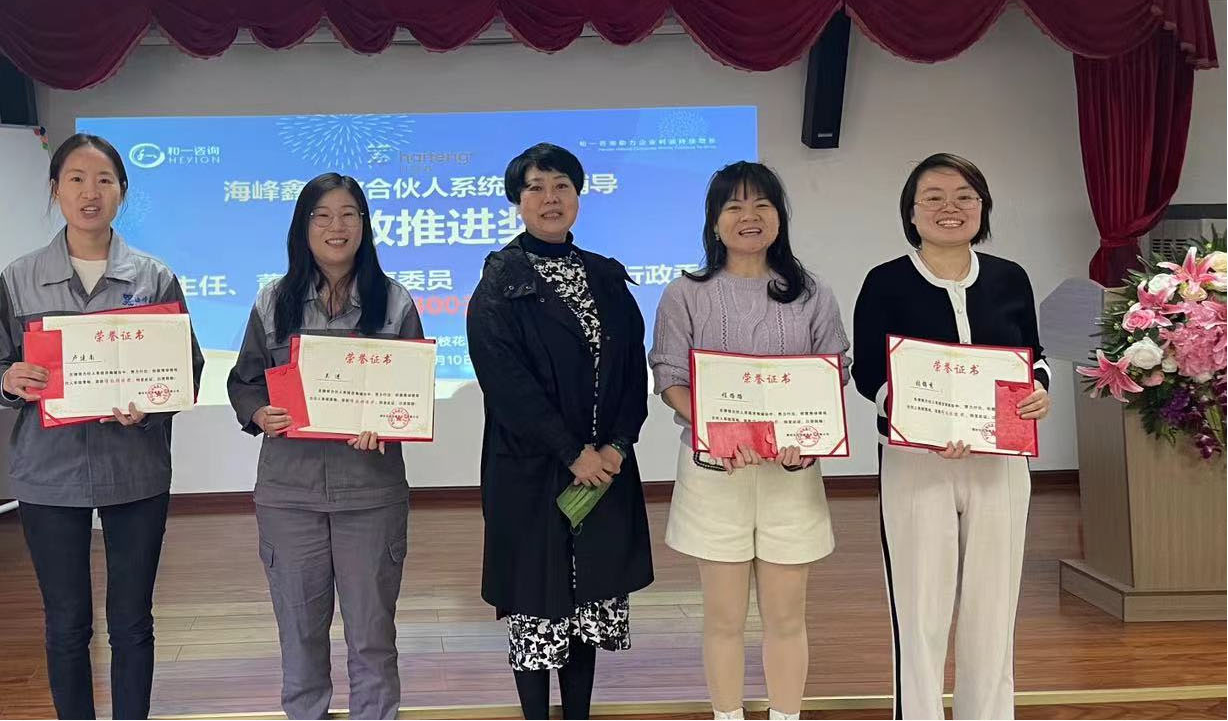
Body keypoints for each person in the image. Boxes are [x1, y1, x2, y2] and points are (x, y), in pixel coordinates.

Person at [0, 133, 205, 720]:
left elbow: (187, 368)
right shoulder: (19, 277)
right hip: (49, 473)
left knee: (131, 621)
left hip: (134, 469)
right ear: (55, 189)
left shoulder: (154, 278)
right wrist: (11, 380)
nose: (90, 193)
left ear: (122, 193)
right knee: (66, 623)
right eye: (76, 179)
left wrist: (150, 404)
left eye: (104, 180)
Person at [851, 153, 1052, 720]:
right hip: (917, 462)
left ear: (982, 208)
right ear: (911, 212)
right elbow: (869, 372)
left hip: (1001, 459)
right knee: (920, 607)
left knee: (994, 605)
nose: (950, 207)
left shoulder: (1010, 277)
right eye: (934, 197)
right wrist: (920, 424)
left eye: (965, 196)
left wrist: (1041, 389)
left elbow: (1031, 355)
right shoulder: (886, 281)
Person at [649, 162, 849, 721]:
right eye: (733, 206)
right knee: (723, 619)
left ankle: (786, 716)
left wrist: (806, 434)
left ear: (779, 217)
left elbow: (833, 371)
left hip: (792, 473)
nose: (749, 216)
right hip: (716, 473)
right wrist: (722, 429)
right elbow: (669, 377)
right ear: (714, 222)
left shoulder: (812, 294)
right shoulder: (685, 294)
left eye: (762, 204)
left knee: (787, 618)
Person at [467, 142, 653, 720]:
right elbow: (506, 384)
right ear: (518, 201)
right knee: (536, 605)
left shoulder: (606, 275)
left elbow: (632, 369)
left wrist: (617, 445)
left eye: (562, 186)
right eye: (536, 187)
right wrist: (573, 453)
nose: (550, 198)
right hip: (531, 472)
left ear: (578, 195)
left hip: (603, 471)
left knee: (587, 600)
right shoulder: (501, 281)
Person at [226, 172, 423, 719]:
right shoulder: (273, 301)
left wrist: (386, 422)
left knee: (372, 637)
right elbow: (244, 381)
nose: (336, 227)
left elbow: (411, 393)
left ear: (364, 224)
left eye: (348, 214)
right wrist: (258, 412)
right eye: (322, 215)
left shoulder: (395, 302)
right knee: (300, 635)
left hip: (370, 494)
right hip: (290, 495)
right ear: (303, 227)